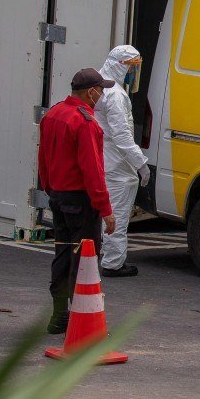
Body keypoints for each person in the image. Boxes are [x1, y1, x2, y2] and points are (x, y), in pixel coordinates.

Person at [38, 68, 117, 334]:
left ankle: (59, 315)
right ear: (90, 92)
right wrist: (105, 209)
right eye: (101, 90)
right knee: (84, 261)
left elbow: (43, 157)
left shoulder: (53, 114)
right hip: (80, 201)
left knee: (62, 254)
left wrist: (50, 188)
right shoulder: (85, 122)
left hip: (58, 196)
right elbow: (93, 170)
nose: (102, 95)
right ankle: (82, 320)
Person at [96, 45, 150, 278]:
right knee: (116, 214)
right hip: (116, 164)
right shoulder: (116, 95)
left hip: (104, 159)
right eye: (131, 68)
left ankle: (98, 256)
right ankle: (113, 263)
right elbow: (122, 136)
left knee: (103, 212)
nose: (132, 74)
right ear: (120, 66)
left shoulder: (99, 84)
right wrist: (141, 164)